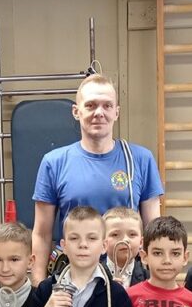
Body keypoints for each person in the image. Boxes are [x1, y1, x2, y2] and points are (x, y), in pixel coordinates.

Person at [30, 74, 164, 285]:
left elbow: (154, 231)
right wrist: (38, 284)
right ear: (76, 111)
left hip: (127, 278)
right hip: (75, 277)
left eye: (107, 105)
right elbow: (42, 234)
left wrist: (157, 283)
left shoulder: (140, 159)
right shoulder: (54, 162)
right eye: (91, 105)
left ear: (116, 112)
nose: (99, 113)